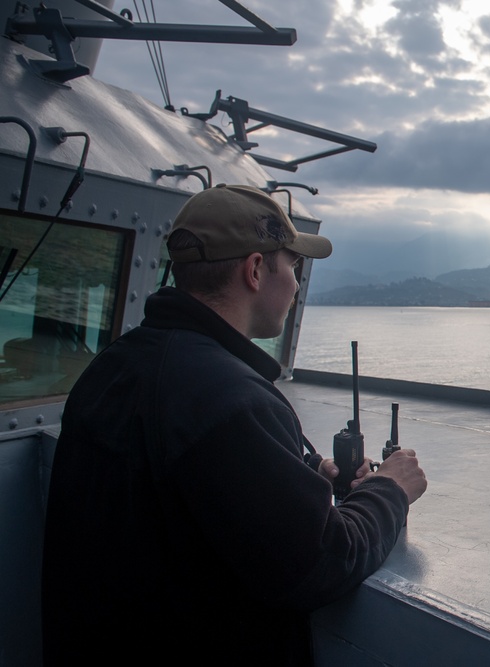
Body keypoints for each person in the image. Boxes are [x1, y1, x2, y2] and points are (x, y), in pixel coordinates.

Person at [41, 184, 427, 666]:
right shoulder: (230, 399)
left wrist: (303, 470)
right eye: (293, 267)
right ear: (256, 269)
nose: (297, 284)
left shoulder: (114, 367)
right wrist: (390, 488)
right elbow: (324, 561)